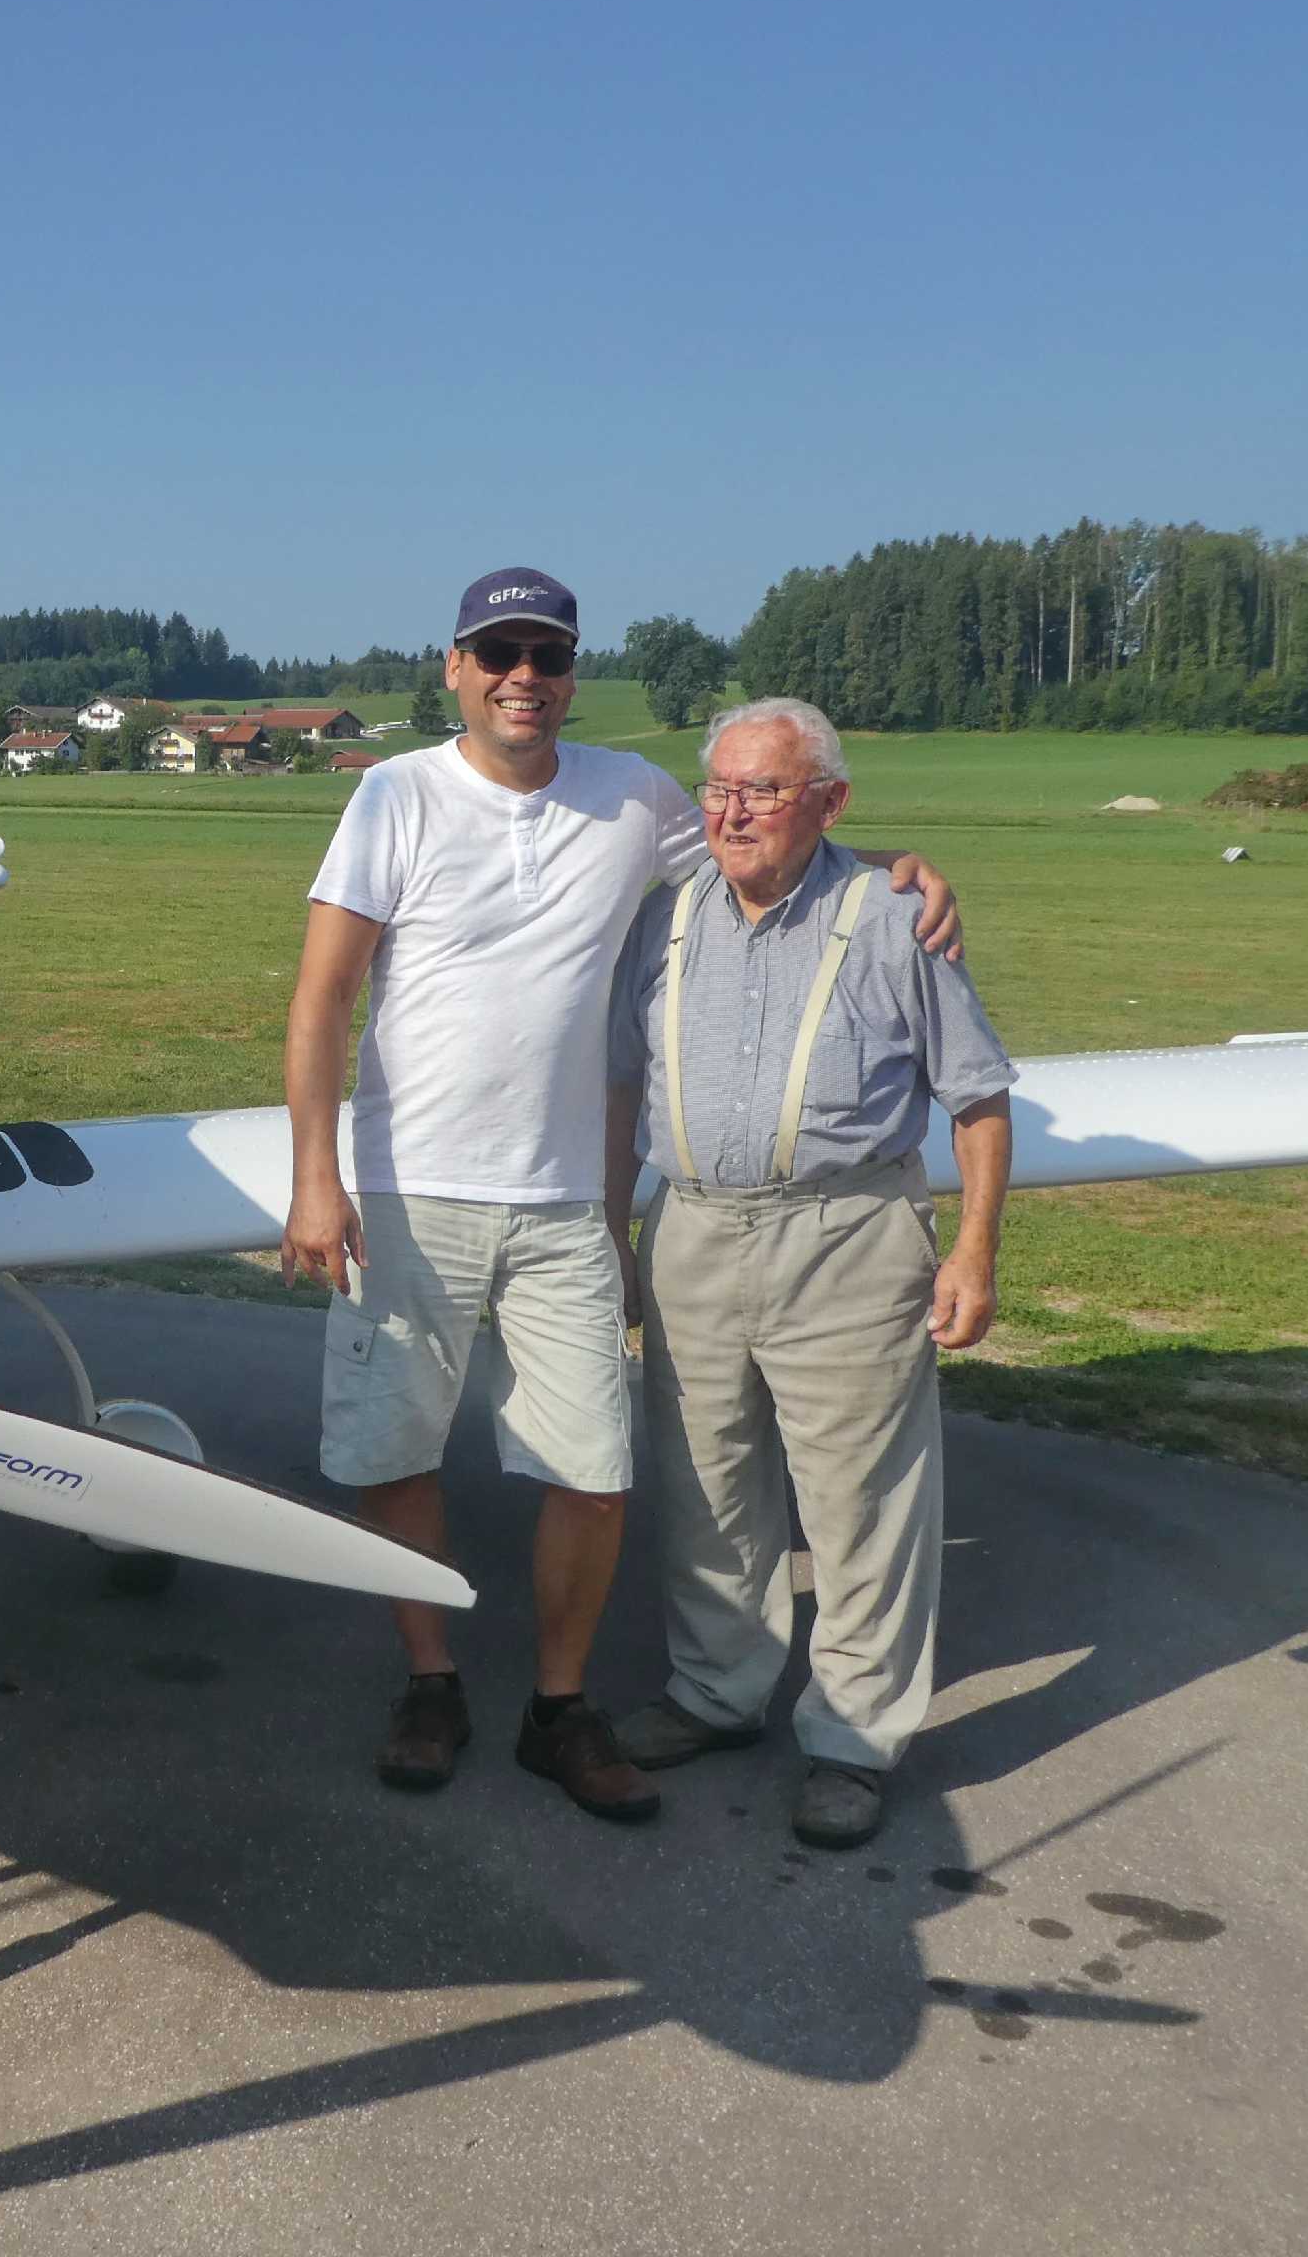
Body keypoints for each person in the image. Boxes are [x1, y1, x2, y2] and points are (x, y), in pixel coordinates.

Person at [282, 571, 962, 1822]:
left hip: (559, 1205)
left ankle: (558, 1705)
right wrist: (315, 1179)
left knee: (593, 1468)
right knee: (392, 1449)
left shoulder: (632, 794)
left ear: (569, 674)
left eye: (545, 655)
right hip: (407, 1187)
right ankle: (430, 1680)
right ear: (454, 668)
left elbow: (768, 838)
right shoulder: (393, 795)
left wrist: (891, 873)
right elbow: (322, 996)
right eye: (498, 652)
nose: (522, 676)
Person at [603, 696, 1014, 1851]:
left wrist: (973, 1251)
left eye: (763, 791)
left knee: (859, 1501)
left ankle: (850, 1741)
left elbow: (977, 1100)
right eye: (718, 788)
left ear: (827, 803)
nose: (732, 813)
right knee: (704, 1482)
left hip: (846, 1235)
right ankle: (714, 1693)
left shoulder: (892, 919)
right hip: (691, 1227)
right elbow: (623, 1084)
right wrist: (613, 1233)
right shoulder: (663, 918)